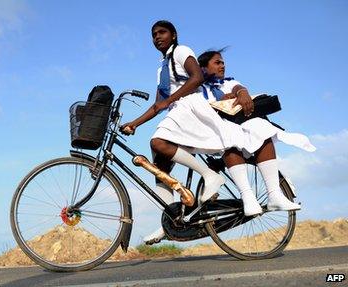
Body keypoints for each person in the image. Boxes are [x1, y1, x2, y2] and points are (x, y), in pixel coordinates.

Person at [121, 20, 226, 244]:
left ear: (174, 34)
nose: (157, 37)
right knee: (160, 168)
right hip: (178, 111)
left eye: (162, 32)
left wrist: (168, 101)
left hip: (192, 107)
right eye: (153, 34)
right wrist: (135, 123)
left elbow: (196, 77)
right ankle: (169, 221)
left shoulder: (182, 51)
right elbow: (159, 104)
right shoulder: (162, 68)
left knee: (158, 142)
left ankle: (210, 175)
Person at [197, 49, 315, 216]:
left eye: (223, 62)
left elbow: (238, 87)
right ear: (203, 68)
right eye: (217, 62)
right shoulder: (198, 89)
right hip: (215, 129)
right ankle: (248, 197)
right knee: (229, 139)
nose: (222, 65)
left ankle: (274, 194)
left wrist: (241, 93)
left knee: (262, 128)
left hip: (239, 124)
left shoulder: (228, 82)